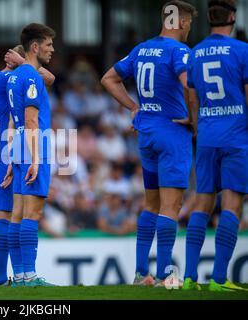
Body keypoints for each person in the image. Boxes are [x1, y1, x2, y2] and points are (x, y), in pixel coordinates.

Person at [101, 0, 197, 287]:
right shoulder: (180, 50)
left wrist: (133, 107)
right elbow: (189, 84)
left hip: (147, 133)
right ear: (180, 22)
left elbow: (108, 78)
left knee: (150, 204)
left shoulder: (142, 48)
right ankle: (167, 273)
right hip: (172, 133)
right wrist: (193, 118)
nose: (189, 27)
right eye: (190, 22)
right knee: (171, 206)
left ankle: (142, 273)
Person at [182, 0, 248, 292]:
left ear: (209, 18)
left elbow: (191, 95)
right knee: (233, 204)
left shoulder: (195, 53)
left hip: (207, 135)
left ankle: (188, 278)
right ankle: (219, 279)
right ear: (232, 16)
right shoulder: (243, 50)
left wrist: (197, 127)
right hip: (236, 135)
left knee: (201, 203)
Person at [6, 23, 56, 286]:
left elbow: (14, 122)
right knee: (31, 214)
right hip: (34, 146)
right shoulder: (32, 76)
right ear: (35, 47)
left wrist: (12, 156)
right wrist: (36, 159)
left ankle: (20, 276)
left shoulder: (14, 76)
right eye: (48, 44)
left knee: (17, 213)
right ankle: (30, 275)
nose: (52, 49)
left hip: (18, 147)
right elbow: (31, 120)